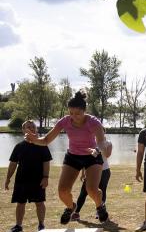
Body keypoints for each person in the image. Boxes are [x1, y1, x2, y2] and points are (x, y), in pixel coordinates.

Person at [25, 91, 110, 224]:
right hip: (73, 156)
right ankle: (71, 207)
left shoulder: (93, 122)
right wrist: (34, 140)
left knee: (91, 189)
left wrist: (96, 150)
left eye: (77, 113)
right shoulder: (65, 121)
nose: (73, 117)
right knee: (63, 191)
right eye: (71, 113)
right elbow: (46, 140)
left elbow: (102, 141)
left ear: (84, 111)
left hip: (92, 155)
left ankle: (100, 206)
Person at [4, 120, 52, 232]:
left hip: (38, 180)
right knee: (20, 203)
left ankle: (41, 225)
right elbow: (13, 164)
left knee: (39, 202)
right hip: (21, 179)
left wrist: (45, 177)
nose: (31, 129)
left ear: (36, 130)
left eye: (33, 127)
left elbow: (46, 162)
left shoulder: (42, 145)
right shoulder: (19, 146)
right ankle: (18, 226)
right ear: (23, 131)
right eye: (28, 127)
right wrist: (8, 178)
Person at [71, 128, 112, 221]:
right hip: (90, 171)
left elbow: (107, 155)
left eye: (101, 132)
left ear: (104, 133)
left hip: (104, 171)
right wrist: (83, 173)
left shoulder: (108, 143)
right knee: (84, 192)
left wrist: (102, 145)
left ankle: (100, 211)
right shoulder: (90, 143)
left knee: (102, 191)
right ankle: (76, 213)